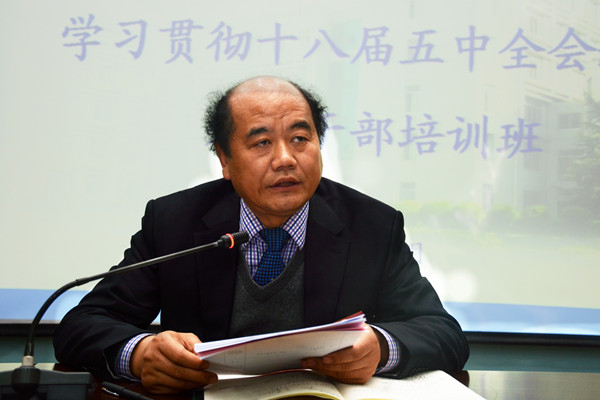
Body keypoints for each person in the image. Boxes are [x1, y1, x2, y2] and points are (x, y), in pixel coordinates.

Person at [53, 76, 469, 394]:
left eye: (300, 139)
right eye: (262, 143)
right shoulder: (175, 221)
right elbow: (81, 325)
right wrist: (140, 354)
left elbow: (443, 332)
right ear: (224, 159)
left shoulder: (371, 224)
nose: (285, 159)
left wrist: (381, 346)